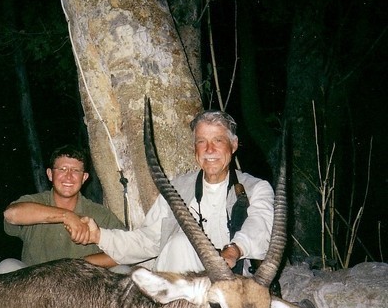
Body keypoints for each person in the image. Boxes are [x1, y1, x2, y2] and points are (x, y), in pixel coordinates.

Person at [77, 110, 274, 275]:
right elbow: (148, 240)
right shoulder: (176, 189)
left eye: (218, 140)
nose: (209, 149)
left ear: (234, 145)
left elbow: (260, 226)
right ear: (194, 148)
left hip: (233, 285)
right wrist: (99, 236)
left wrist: (235, 250)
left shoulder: (256, 188)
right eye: (201, 141)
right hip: (182, 283)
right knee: (179, 244)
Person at [0, 144, 125, 274]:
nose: (68, 176)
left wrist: (77, 265)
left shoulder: (100, 214)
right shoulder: (35, 202)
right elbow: (11, 214)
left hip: (83, 286)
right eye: (62, 169)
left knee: (124, 272)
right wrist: (67, 216)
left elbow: (125, 251)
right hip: (35, 286)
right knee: (7, 266)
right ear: (50, 174)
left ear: (84, 178)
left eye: (76, 171)